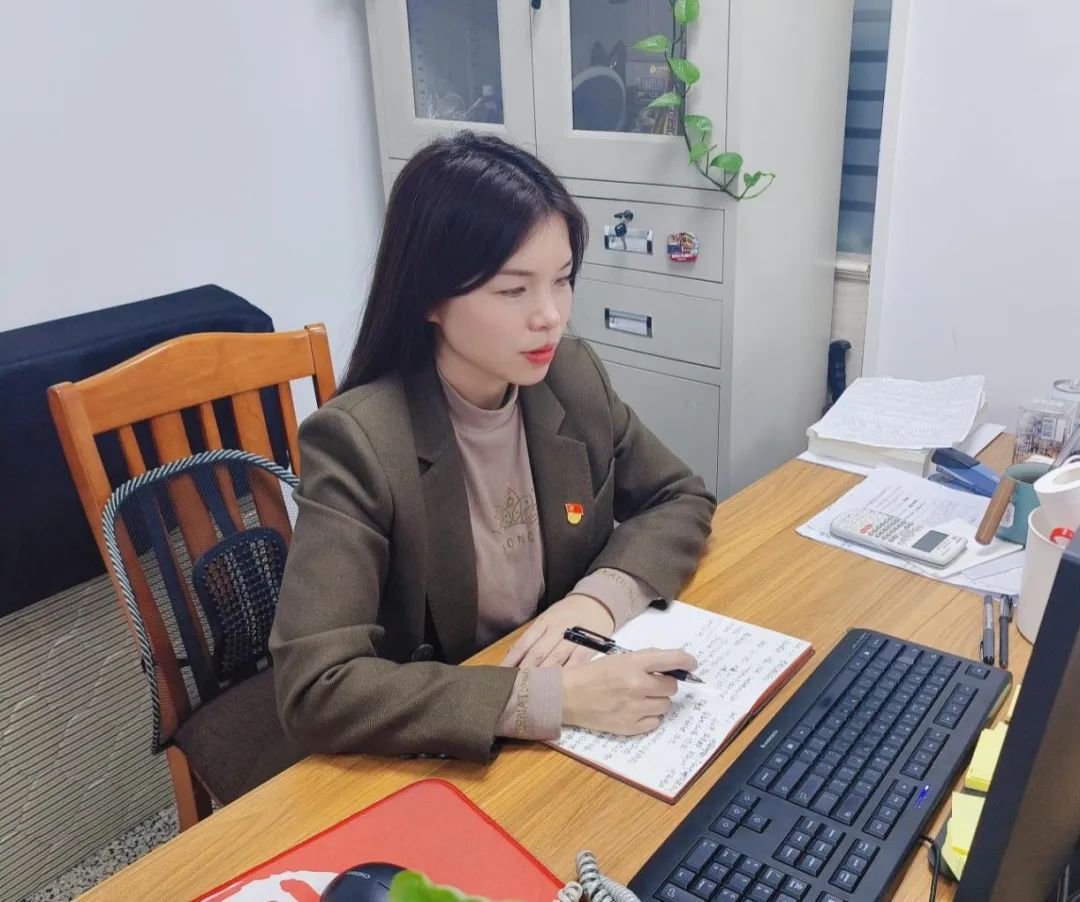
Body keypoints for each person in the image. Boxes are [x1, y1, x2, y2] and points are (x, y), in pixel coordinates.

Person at [270, 131, 716, 762]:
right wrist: (552, 699)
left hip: (569, 708)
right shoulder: (358, 441)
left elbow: (678, 497)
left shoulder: (571, 377)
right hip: (443, 746)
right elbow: (316, 689)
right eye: (513, 290)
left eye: (562, 280)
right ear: (429, 297)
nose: (550, 315)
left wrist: (597, 599)